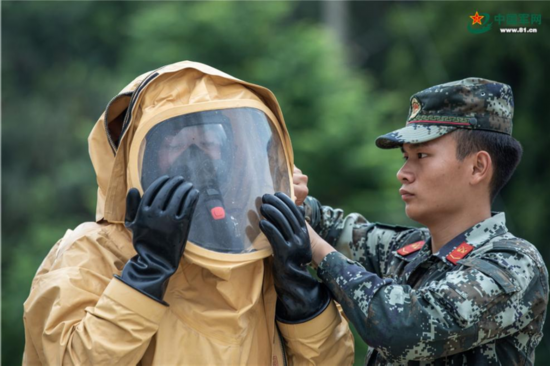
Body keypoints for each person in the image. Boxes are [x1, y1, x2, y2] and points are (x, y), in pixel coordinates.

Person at [23, 61, 354, 365]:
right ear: (143, 156)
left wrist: (300, 291)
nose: (197, 157)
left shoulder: (258, 250)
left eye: (210, 140)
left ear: (236, 153)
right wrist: (145, 273)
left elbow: (333, 361)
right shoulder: (91, 252)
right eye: (176, 141)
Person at [259, 78, 549, 365]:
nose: (403, 173)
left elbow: (404, 328)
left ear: (477, 167)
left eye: (421, 155)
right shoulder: (409, 249)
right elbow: (328, 226)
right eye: (405, 157)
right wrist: (285, 190)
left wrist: (316, 247)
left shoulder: (514, 263)